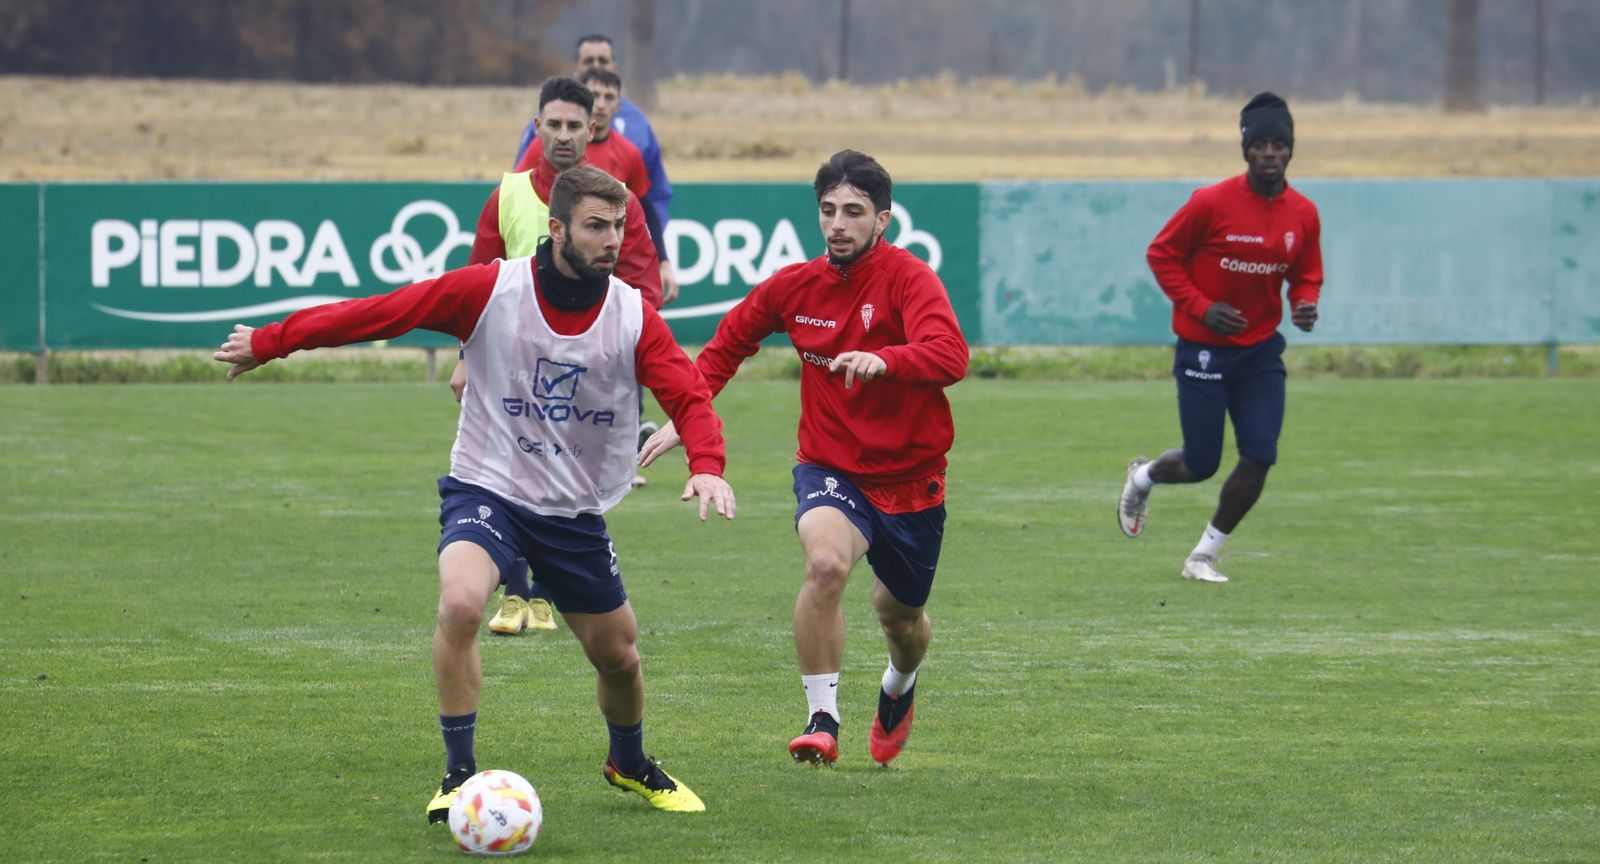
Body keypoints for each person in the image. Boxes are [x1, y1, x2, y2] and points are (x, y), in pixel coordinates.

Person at [213, 164, 734, 818]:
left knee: (620, 658)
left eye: (620, 228)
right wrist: (272, 342)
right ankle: (459, 777)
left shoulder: (632, 314)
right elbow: (384, 311)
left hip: (571, 509)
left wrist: (707, 462)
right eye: (596, 226)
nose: (612, 241)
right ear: (556, 229)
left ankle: (627, 762)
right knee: (461, 604)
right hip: (488, 485)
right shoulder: (492, 290)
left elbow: (688, 394)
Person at [638, 150, 968, 768]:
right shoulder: (796, 285)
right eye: (827, 210)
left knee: (902, 619)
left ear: (883, 220)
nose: (838, 223)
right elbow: (729, 341)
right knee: (824, 564)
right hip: (831, 467)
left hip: (912, 480)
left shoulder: (910, 279)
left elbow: (951, 354)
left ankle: (899, 684)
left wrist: (888, 360)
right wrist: (690, 414)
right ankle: (823, 718)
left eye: (854, 211)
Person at [462, 77, 663, 635]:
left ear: (593, 128)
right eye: (554, 124)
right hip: (513, 369)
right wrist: (463, 357)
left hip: (587, 370)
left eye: (577, 125)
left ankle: (546, 592)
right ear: (537, 126)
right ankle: (514, 592)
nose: (565, 135)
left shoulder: (613, 202)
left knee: (565, 478)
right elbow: (475, 282)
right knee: (510, 472)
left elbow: (643, 286)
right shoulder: (508, 193)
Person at [1117, 91, 1323, 584]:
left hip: (1260, 353)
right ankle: (1143, 477)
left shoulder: (1303, 213)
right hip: (1203, 351)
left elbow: (1306, 273)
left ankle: (1202, 556)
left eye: (1280, 144)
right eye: (1261, 145)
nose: (1270, 153)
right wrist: (1203, 308)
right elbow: (1161, 255)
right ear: (1246, 150)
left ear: (1291, 150)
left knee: (1260, 455)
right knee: (1202, 463)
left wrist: (1304, 302)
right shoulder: (1211, 202)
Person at [515, 34, 677, 305]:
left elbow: (647, 207)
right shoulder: (546, 139)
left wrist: (662, 260)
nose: (601, 103)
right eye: (589, 60)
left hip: (604, 279)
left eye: (603, 60)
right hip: (544, 277)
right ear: (576, 68)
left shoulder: (633, 136)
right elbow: (519, 196)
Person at [518, 68, 651, 219]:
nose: (600, 105)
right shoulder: (542, 147)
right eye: (594, 95)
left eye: (608, 97)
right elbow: (518, 193)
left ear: (618, 104)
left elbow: (645, 209)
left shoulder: (629, 153)